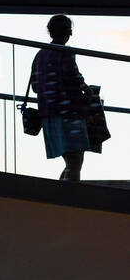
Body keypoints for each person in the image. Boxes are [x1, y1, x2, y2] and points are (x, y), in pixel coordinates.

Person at [31, 15, 92, 182]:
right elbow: (74, 79)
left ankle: (62, 196)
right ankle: (70, 199)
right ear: (68, 32)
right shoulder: (66, 53)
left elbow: (35, 86)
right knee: (75, 161)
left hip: (48, 113)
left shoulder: (40, 54)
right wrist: (88, 91)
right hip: (68, 113)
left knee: (70, 162)